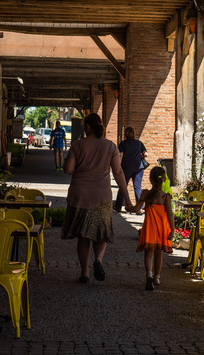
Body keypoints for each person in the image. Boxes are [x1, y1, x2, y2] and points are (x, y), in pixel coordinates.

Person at [62, 113, 132, 283]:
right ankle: (98, 260)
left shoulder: (78, 145)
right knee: (101, 233)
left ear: (86, 127)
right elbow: (118, 172)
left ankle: (84, 273)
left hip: (80, 195)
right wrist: (128, 199)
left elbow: (69, 170)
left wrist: (70, 161)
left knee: (83, 235)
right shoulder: (110, 146)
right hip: (102, 196)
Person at [132, 166, 174, 290]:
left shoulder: (146, 194)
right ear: (164, 179)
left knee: (148, 253)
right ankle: (157, 276)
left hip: (149, 228)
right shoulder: (165, 197)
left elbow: (136, 209)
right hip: (161, 229)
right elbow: (170, 214)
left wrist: (128, 207)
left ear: (150, 180)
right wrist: (172, 229)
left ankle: (148, 274)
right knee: (158, 253)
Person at [115, 126, 148, 213]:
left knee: (123, 186)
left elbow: (120, 155)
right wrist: (139, 155)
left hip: (127, 167)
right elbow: (146, 154)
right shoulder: (139, 143)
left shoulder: (123, 144)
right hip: (139, 167)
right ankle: (141, 207)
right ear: (133, 134)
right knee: (137, 187)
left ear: (125, 134)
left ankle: (118, 206)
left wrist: (118, 166)